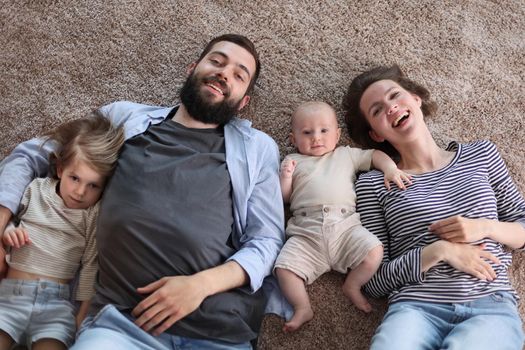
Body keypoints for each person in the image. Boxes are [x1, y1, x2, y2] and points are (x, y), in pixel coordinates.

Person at [0, 34, 285, 350]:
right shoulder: (125, 118)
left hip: (218, 331)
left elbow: (266, 240)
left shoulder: (258, 149)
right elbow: (32, 154)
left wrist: (199, 286)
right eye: (216, 61)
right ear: (193, 68)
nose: (224, 73)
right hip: (123, 326)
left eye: (238, 74)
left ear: (243, 101)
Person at [342, 64, 525, 349]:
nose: (390, 108)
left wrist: (485, 227)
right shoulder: (372, 186)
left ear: (416, 98)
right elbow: (374, 281)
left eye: (394, 96)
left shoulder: (482, 154)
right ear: (376, 134)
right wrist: (438, 251)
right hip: (415, 310)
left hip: (490, 306)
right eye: (377, 111)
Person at [274, 101, 412, 332]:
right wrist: (286, 178)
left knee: (374, 251)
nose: (316, 138)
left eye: (324, 131)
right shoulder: (292, 162)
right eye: (307, 133)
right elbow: (284, 199)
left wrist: (390, 169)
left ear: (337, 135)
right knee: (284, 269)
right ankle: (302, 306)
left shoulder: (346, 155)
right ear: (293, 139)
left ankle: (353, 284)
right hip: (306, 232)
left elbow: (374, 155)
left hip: (345, 227)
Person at [0, 114, 124, 350]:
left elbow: (90, 265)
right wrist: (8, 231)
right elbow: (10, 219)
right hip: (9, 298)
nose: (80, 192)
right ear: (59, 169)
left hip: (55, 307)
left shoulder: (93, 213)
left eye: (93, 185)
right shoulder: (35, 189)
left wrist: (82, 319)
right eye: (74, 178)